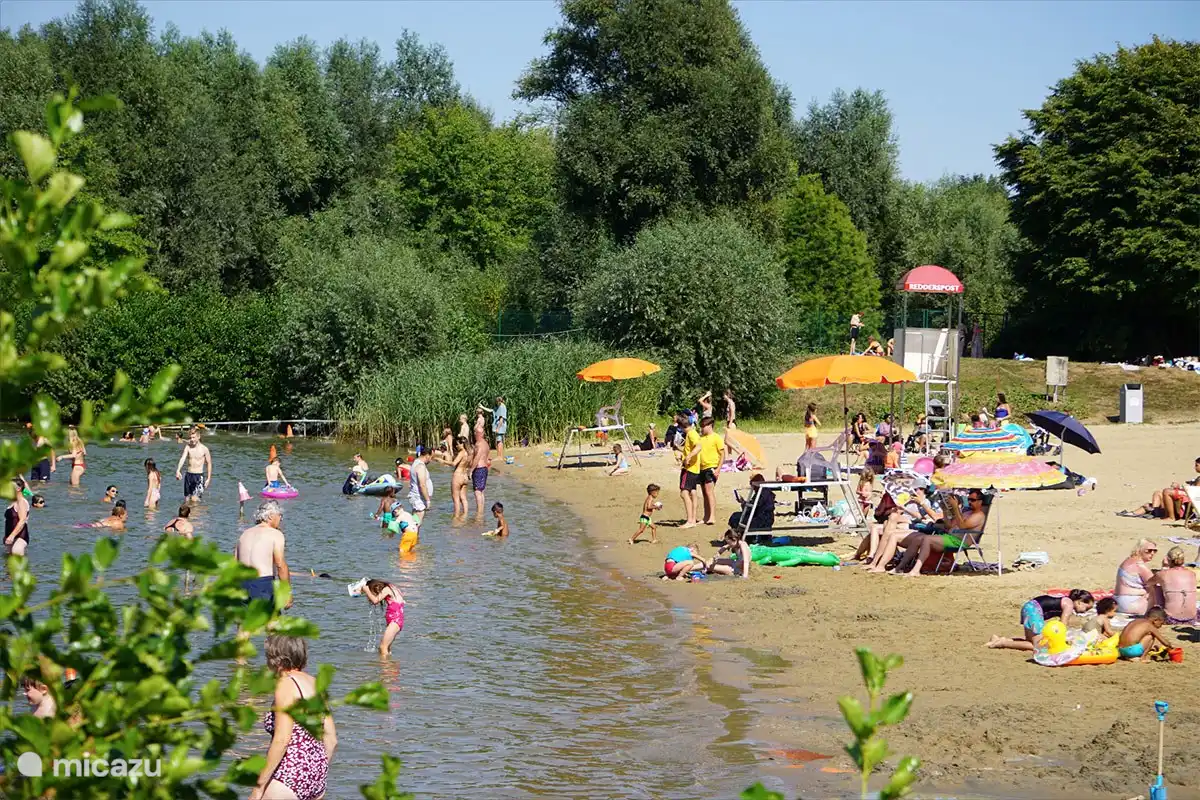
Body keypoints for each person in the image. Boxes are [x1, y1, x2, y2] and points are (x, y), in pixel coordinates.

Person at [250, 636, 335, 800]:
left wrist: (259, 788)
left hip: (289, 776)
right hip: (317, 777)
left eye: (267, 657)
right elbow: (331, 739)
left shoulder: (285, 685)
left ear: (276, 660)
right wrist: (316, 771)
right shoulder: (315, 683)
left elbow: (282, 740)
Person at [891, 489, 987, 575]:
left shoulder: (979, 515)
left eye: (973, 500)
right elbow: (949, 525)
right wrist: (945, 510)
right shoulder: (966, 513)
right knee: (918, 539)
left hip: (959, 542)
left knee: (927, 539)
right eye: (969, 499)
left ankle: (916, 570)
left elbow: (962, 526)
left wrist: (955, 508)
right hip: (949, 537)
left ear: (980, 501)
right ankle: (899, 568)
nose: (969, 502)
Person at [986, 590, 1095, 652]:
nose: (1085, 611)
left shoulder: (1064, 599)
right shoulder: (1069, 604)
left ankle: (1000, 639)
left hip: (1029, 607)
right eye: (1087, 608)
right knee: (1038, 646)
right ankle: (1002, 643)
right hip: (1034, 611)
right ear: (1079, 602)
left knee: (1030, 640)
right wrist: (1063, 641)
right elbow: (1062, 625)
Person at [235, 500, 291, 610]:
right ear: (270, 516)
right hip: (262, 584)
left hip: (242, 584)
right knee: (269, 619)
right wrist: (287, 593)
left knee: (245, 620)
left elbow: (234, 563)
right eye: (280, 516)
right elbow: (280, 565)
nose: (281, 520)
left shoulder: (245, 534)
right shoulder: (275, 534)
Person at [1146, 546, 1197, 624]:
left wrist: (1163, 567)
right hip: (1192, 618)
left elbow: (1148, 583)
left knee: (1155, 587)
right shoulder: (1192, 574)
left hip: (1171, 618)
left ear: (1168, 560)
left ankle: (1148, 611)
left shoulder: (1162, 574)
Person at [689, 417, 725, 525]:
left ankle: (712, 516)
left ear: (710, 426)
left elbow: (722, 454)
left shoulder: (716, 438)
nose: (702, 428)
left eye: (704, 426)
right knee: (704, 493)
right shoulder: (701, 438)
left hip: (711, 467)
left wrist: (718, 469)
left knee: (709, 491)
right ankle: (706, 516)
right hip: (701, 468)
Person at [1114, 538, 1157, 615]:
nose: (1152, 553)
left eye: (1155, 551)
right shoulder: (1140, 566)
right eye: (1149, 550)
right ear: (1140, 550)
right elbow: (1155, 585)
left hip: (1117, 601)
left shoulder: (1127, 561)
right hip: (1132, 603)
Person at [362, 580, 405, 655]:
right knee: (386, 647)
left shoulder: (387, 588)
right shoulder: (391, 588)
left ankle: (384, 662)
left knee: (383, 647)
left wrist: (366, 590)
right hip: (395, 621)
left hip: (395, 621)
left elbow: (375, 601)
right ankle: (390, 662)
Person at [175, 427, 213, 503]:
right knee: (187, 499)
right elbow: (183, 458)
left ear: (198, 437)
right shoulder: (188, 447)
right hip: (188, 475)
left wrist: (208, 478)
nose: (192, 439)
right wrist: (178, 470)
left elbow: (209, 463)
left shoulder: (204, 449)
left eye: (193, 437)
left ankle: (197, 510)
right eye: (190, 437)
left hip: (198, 476)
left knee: (194, 499)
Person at [677, 414, 700, 529]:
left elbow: (698, 447)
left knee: (684, 493)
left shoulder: (691, 434)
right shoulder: (693, 433)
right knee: (693, 492)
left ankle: (690, 520)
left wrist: (688, 457)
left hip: (689, 468)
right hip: (694, 468)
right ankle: (693, 519)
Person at [471, 413, 491, 518]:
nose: (475, 434)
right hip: (485, 468)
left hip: (478, 468)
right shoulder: (486, 443)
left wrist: (470, 470)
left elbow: (477, 458)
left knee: (477, 491)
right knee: (481, 491)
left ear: (478, 434)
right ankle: (481, 511)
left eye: (475, 433)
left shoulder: (478, 444)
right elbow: (487, 458)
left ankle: (479, 514)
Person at [5, 478, 30, 557]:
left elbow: (22, 520)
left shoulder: (21, 502)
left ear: (18, 489)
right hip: (10, 535)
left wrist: (12, 536)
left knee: (16, 554)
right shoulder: (13, 502)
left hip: (20, 536)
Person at [408, 448, 433, 523]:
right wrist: (428, 500)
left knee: (414, 522)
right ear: (427, 455)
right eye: (431, 457)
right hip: (418, 498)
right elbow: (422, 485)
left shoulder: (416, 463)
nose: (431, 460)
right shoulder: (420, 466)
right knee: (416, 523)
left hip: (417, 497)